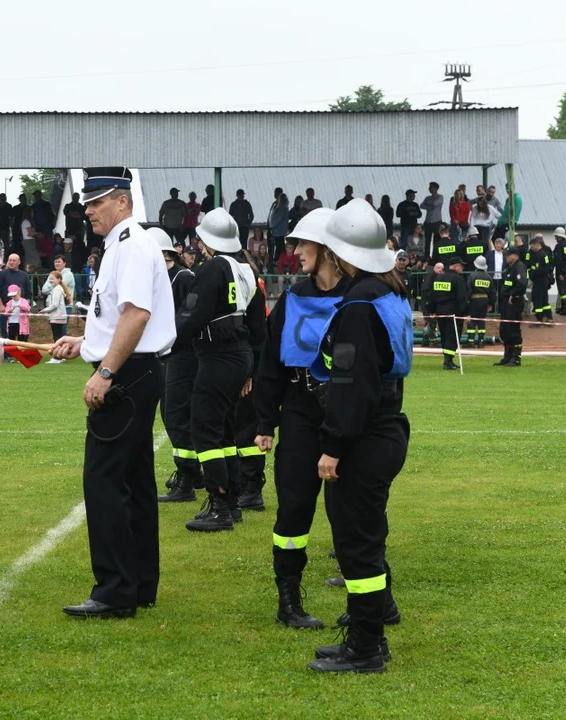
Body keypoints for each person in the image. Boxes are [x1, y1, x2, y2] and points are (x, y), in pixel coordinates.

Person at [272, 199, 412, 674]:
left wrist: (333, 445)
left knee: (356, 545)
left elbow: (352, 388)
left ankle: (366, 647)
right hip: (385, 427)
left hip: (364, 435)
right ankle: (367, 634)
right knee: (364, 539)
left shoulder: (356, 306)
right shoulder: (388, 293)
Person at [52, 167, 175, 619]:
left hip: (128, 376)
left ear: (122, 201)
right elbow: (115, 317)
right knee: (134, 481)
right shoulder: (121, 247)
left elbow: (137, 316)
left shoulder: (133, 246)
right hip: (136, 371)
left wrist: (104, 370)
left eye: (97, 201)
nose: (88, 210)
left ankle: (115, 590)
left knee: (104, 481)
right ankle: (138, 582)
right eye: (87, 202)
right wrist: (83, 344)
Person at [253, 208, 348, 630]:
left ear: (327, 249)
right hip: (297, 411)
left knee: (353, 509)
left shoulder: (362, 295)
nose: (295, 251)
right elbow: (271, 361)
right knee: (293, 507)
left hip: (346, 414)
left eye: (302, 244)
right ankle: (288, 600)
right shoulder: (292, 296)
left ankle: (371, 598)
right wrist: (263, 422)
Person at [170, 209, 265, 532]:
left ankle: (220, 506)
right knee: (225, 430)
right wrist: (252, 368)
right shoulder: (247, 270)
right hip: (240, 357)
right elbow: (258, 326)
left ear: (206, 241)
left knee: (205, 430)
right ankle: (233, 501)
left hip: (216, 357)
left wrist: (161, 342)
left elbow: (191, 316)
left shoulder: (212, 269)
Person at [148, 228, 202, 503]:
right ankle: (191, 473)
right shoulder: (161, 279)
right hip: (167, 355)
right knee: (171, 413)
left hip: (183, 354)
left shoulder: (183, 278)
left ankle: (188, 478)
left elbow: (189, 317)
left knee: (177, 413)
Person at [426, 255, 469, 370]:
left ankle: (447, 360)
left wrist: (432, 310)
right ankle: (448, 361)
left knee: (444, 336)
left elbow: (432, 296)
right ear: (456, 266)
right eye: (461, 266)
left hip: (440, 313)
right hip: (454, 313)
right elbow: (462, 298)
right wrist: (466, 312)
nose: (462, 269)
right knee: (453, 337)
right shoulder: (458, 279)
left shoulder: (439, 278)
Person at [495, 246, 527, 367]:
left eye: (508, 255)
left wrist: (513, 294)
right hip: (505, 303)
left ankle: (516, 357)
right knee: (505, 330)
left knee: (513, 330)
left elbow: (522, 283)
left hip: (514, 303)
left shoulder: (519, 267)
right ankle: (507, 356)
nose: (506, 257)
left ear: (515, 255)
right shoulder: (509, 268)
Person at [467, 256, 495, 349]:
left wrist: (467, 301)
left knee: (472, 321)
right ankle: (481, 342)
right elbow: (492, 292)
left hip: (474, 300)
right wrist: (490, 304)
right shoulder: (488, 277)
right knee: (481, 321)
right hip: (485, 301)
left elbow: (469, 290)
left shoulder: (472, 275)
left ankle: (470, 341)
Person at [40, 270, 71, 351]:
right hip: (57, 316)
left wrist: (44, 310)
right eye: (49, 279)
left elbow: (54, 305)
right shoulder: (56, 289)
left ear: (59, 280)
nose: (50, 280)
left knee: (57, 338)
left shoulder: (57, 289)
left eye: (52, 279)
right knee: (58, 337)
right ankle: (60, 355)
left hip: (57, 317)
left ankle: (59, 356)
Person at [527, 235, 553, 326]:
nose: (531, 248)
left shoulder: (539, 255)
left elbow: (540, 270)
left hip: (539, 281)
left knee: (537, 301)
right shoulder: (544, 254)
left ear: (537, 245)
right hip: (544, 281)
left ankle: (539, 321)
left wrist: (532, 275)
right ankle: (549, 319)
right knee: (545, 301)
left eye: (532, 246)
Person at [421, 182, 444, 255]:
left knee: (436, 241)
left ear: (436, 188)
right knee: (427, 241)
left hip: (437, 221)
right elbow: (421, 205)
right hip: (428, 222)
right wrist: (429, 206)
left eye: (431, 187)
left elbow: (435, 203)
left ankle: (435, 256)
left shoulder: (440, 197)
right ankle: (427, 256)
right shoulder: (427, 198)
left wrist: (428, 204)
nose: (429, 189)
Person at [268, 190, 290, 261]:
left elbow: (278, 218)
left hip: (278, 230)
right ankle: (278, 258)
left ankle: (278, 258)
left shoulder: (282, 207)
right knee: (279, 245)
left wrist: (272, 225)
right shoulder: (278, 206)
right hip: (278, 230)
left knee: (279, 245)